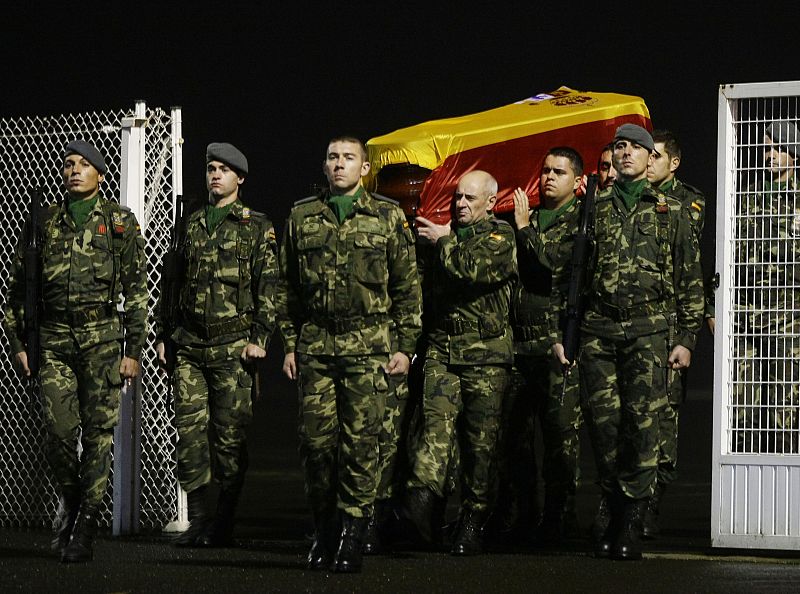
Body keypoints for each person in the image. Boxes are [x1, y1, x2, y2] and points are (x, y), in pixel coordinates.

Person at [553, 124, 704, 560]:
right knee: (604, 429)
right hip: (599, 334)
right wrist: (563, 335)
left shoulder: (671, 211)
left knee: (642, 428)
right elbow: (570, 277)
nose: (625, 153)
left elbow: (690, 280)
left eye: (635, 148)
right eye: (619, 146)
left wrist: (686, 338)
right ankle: (614, 507)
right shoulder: (592, 209)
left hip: (649, 333)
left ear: (650, 158)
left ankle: (630, 521)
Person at [277, 136, 421, 573]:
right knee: (316, 447)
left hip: (368, 348)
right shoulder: (302, 217)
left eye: (348, 158)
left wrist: (405, 347)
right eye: (333, 158)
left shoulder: (387, 217)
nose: (339, 164)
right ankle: (324, 531)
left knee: (361, 446)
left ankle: (352, 536)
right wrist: (290, 343)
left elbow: (407, 288)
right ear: (325, 166)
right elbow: (286, 288)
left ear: (364, 168)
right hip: (317, 347)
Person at [3, 140, 148, 563]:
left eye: (85, 164)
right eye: (68, 164)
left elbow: (137, 291)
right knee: (59, 433)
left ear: (100, 174)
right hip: (54, 341)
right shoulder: (43, 221)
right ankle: (72, 498)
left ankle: (85, 524)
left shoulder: (119, 222)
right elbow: (17, 291)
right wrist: (18, 345)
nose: (75, 170)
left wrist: (133, 350)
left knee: (98, 436)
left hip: (102, 341)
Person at [154, 143, 278, 548]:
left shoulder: (255, 227)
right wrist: (163, 335)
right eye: (211, 168)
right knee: (189, 436)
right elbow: (171, 285)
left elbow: (269, 287)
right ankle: (200, 519)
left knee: (229, 439)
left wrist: (259, 338)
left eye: (224, 169)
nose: (215, 175)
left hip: (232, 346)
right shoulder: (190, 224)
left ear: (239, 178)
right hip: (190, 345)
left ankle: (223, 521)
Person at [401, 170, 517, 556]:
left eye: (470, 198)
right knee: (433, 431)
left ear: (490, 202)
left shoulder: (500, 237)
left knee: (480, 445)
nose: (461, 204)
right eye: (458, 197)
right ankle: (422, 506)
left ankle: (473, 518)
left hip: (486, 357)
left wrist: (443, 240)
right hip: (443, 351)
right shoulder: (441, 234)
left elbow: (471, 269)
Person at [495, 147, 585, 546]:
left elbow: (554, 266)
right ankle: (523, 513)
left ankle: (558, 519)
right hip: (517, 343)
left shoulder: (581, 221)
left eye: (558, 172)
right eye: (545, 170)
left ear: (576, 181)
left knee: (559, 438)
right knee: (514, 438)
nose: (549, 177)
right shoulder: (525, 216)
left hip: (555, 344)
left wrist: (523, 229)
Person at [644, 129, 706, 537]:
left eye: (656, 156)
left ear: (674, 163)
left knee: (665, 416)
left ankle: (652, 501)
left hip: (670, 321)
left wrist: (689, 332)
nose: (648, 162)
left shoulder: (689, 203)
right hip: (640, 325)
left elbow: (691, 265)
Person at [728, 120, 800, 455]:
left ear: (793, 153)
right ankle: (742, 477)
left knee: (785, 410)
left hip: (787, 318)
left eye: (777, 148)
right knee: (741, 411)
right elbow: (727, 248)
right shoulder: (746, 194)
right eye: (766, 148)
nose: (768, 154)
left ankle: (786, 478)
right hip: (746, 316)